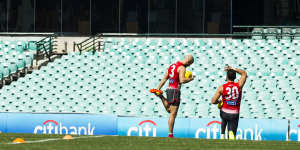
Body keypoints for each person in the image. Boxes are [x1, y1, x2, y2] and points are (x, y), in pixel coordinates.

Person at [150, 54, 195, 138]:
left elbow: (164, 79)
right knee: (173, 114)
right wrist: (190, 79)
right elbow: (182, 80)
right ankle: (170, 134)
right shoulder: (182, 68)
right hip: (175, 90)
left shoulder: (171, 66)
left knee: (169, 110)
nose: (189, 66)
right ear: (188, 61)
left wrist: (158, 88)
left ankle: (161, 96)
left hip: (169, 89)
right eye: (190, 64)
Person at [211, 66, 247, 140]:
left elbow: (213, 101)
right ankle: (230, 132)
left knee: (223, 112)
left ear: (227, 77)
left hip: (224, 113)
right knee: (232, 132)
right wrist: (233, 68)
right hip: (234, 113)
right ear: (235, 77)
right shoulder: (239, 85)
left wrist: (219, 101)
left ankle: (222, 134)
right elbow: (244, 73)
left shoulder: (222, 87)